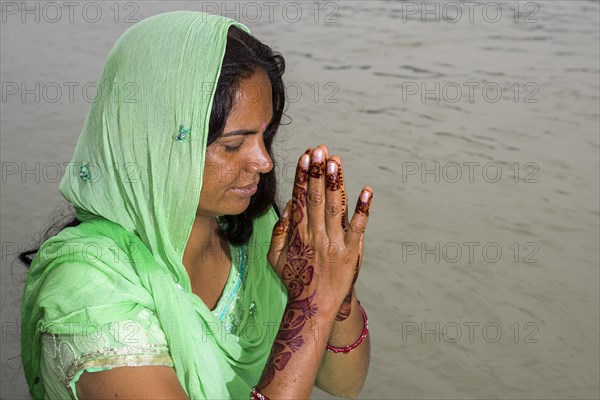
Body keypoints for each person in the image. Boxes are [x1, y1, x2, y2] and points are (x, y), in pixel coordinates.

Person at [20, 10, 373, 399]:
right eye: (233, 145)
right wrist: (312, 305)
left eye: (264, 135)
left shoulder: (253, 234)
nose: (264, 161)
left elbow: (346, 383)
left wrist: (334, 285)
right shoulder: (89, 289)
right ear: (156, 146)